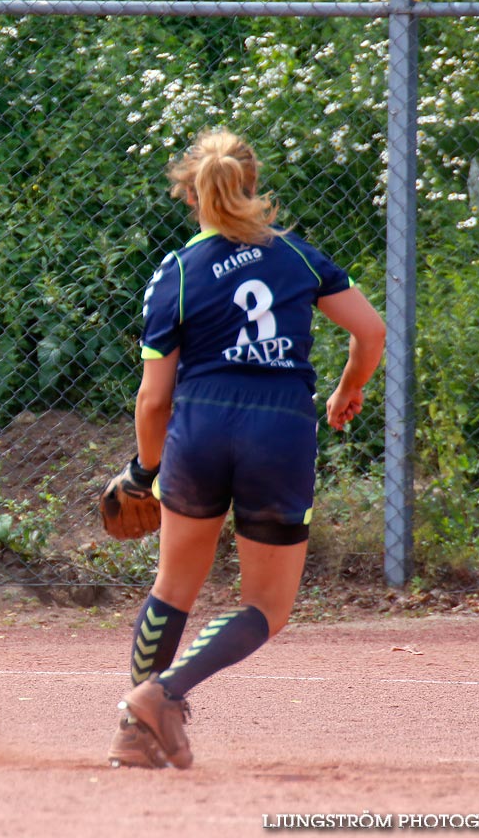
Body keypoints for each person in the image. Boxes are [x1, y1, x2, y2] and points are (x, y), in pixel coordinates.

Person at [107, 130, 386, 770]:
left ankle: (134, 727)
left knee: (174, 585)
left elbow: (153, 401)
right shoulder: (294, 257)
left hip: (200, 426)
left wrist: (144, 472)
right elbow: (369, 331)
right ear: (252, 185)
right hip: (278, 429)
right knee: (266, 605)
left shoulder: (174, 273)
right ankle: (163, 694)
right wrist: (347, 390)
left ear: (192, 194)